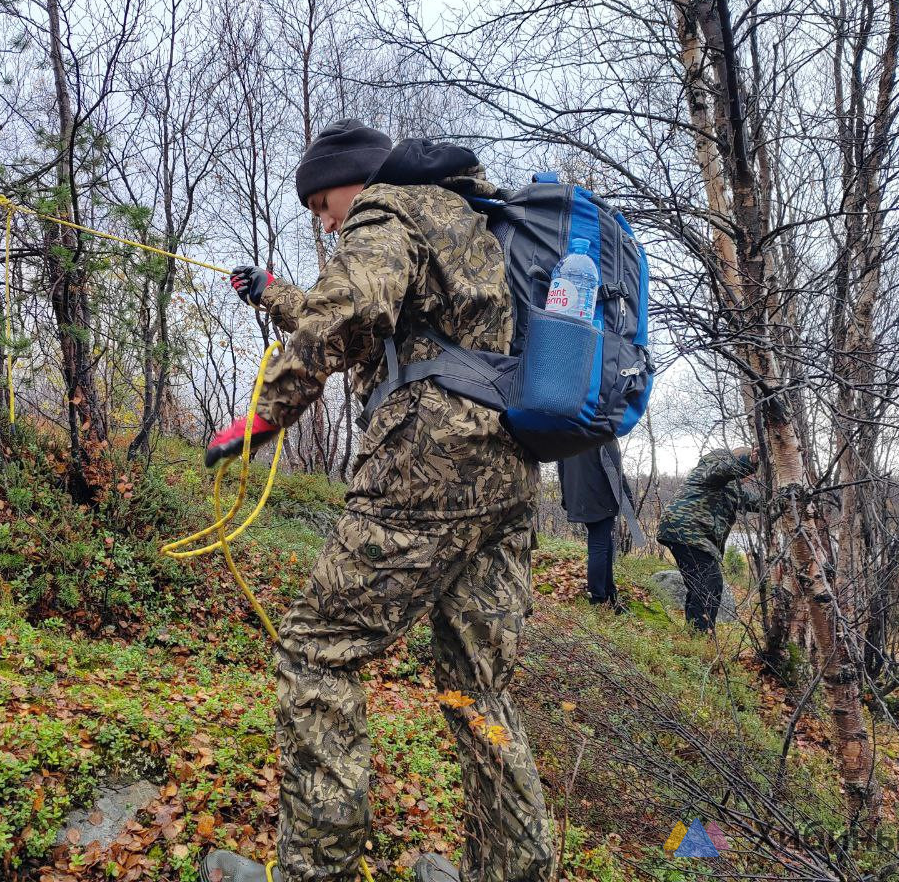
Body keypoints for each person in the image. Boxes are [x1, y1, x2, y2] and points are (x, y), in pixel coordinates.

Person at [202, 119, 557, 882]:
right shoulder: (467, 216)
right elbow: (380, 319)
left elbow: (358, 305)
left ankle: (315, 873)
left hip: (426, 469)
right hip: (508, 479)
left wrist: (267, 412)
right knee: (477, 691)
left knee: (312, 655)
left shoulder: (384, 208)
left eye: (320, 202)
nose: (322, 220)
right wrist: (277, 300)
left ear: (351, 179)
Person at [656, 446, 761, 633]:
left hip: (686, 533)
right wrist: (749, 461)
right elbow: (723, 470)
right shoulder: (710, 469)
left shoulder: (731, 488)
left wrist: (790, 500)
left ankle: (694, 633)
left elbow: (760, 503)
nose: (750, 479)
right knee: (709, 583)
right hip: (687, 530)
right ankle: (700, 634)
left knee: (701, 585)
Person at [556, 439, 633, 611]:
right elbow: (615, 471)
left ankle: (609, 595)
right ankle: (598, 599)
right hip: (600, 498)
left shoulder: (568, 432)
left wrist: (566, 497)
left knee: (605, 544)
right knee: (599, 545)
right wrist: (628, 499)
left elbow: (561, 468)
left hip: (580, 498)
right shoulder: (601, 431)